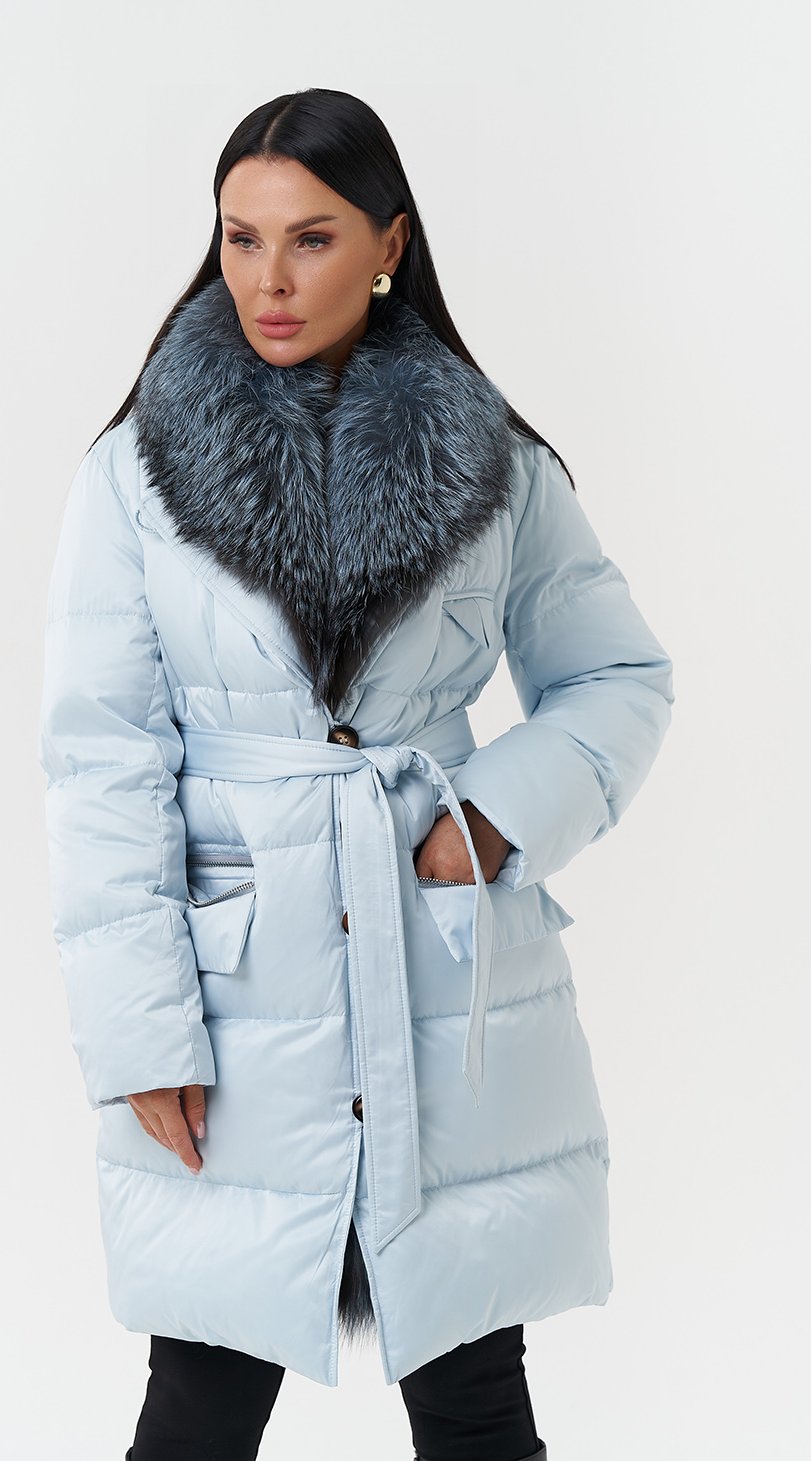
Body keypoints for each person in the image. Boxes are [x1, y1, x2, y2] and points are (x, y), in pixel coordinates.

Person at [39, 88, 673, 1461]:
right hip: (235, 996)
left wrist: (487, 820)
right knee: (199, 1398)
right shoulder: (134, 474)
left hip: (441, 979)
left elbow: (617, 677)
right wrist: (141, 1029)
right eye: (241, 238)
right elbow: (102, 758)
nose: (269, 278)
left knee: (472, 1392)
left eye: (311, 238)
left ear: (388, 243)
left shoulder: (496, 462)